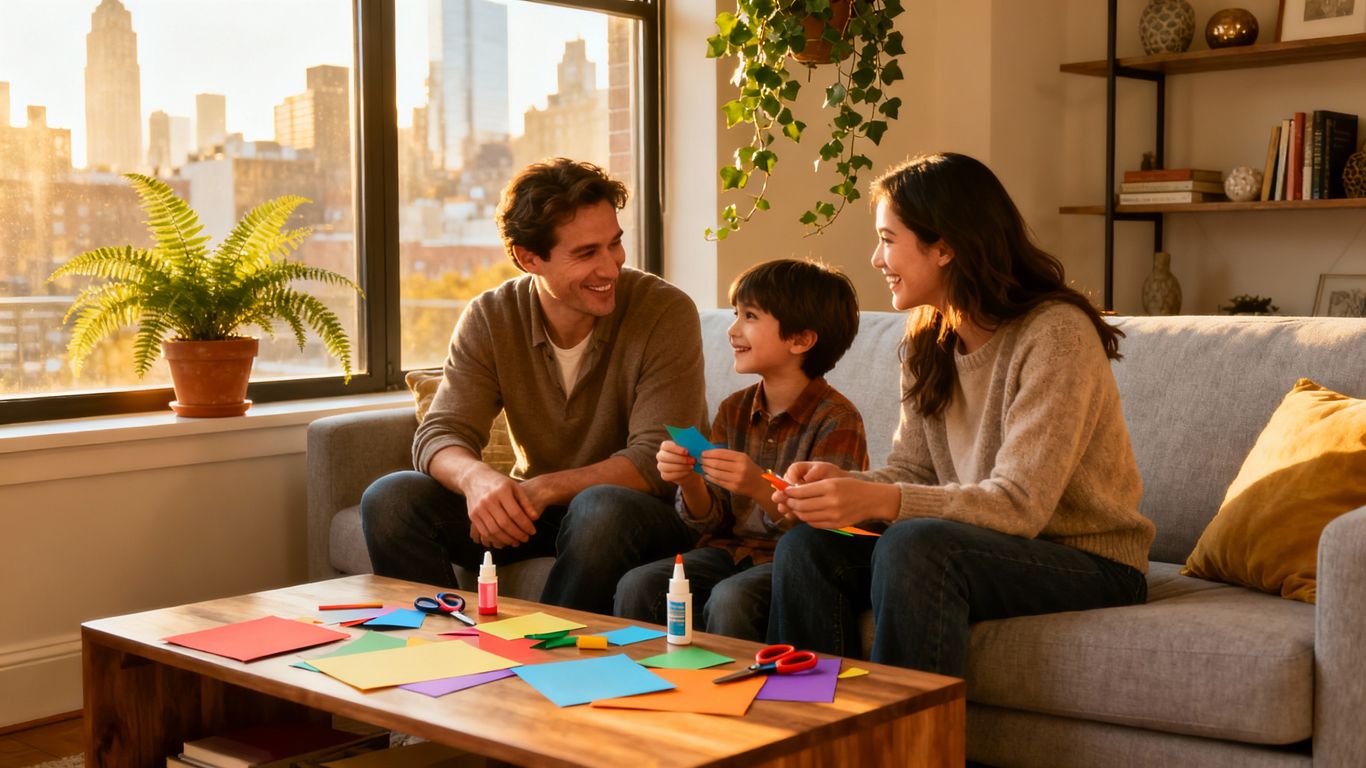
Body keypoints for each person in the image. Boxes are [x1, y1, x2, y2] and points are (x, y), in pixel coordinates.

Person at [767, 152, 1156, 676]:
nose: (876, 260)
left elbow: (1021, 505)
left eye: (887, 240)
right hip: (978, 545)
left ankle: (908, 749)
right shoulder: (928, 336)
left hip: (1088, 560)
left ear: (944, 246)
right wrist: (842, 487)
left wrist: (877, 499)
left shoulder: (1056, 334)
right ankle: (812, 737)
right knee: (809, 547)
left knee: (916, 547)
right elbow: (912, 473)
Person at [360, 158, 708, 614]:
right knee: (390, 500)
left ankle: (545, 662)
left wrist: (540, 490)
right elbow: (439, 433)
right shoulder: (491, 317)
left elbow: (656, 457)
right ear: (529, 258)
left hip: (640, 514)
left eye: (615, 244)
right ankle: (440, 654)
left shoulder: (665, 313)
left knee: (599, 510)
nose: (611, 267)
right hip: (542, 514)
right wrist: (478, 480)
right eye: (587, 253)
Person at [614, 259, 868, 641]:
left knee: (732, 599)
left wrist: (757, 485)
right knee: (639, 585)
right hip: (727, 551)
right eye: (736, 315)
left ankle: (737, 697)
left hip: (790, 560)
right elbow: (709, 519)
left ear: (800, 340)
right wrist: (689, 480)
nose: (732, 330)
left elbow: (826, 531)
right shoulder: (733, 409)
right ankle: (647, 691)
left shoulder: (838, 419)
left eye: (749, 316)